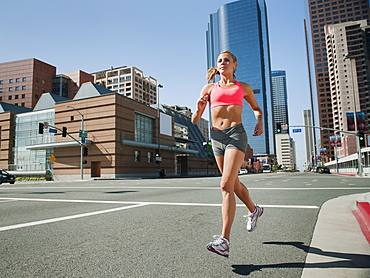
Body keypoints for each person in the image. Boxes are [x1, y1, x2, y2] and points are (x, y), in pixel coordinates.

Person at [191, 50, 264, 258]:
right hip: (216, 138)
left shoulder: (243, 88)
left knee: (225, 185)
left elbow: (256, 109)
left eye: (227, 60)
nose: (223, 63)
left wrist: (259, 121)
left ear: (235, 65)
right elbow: (196, 120)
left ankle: (224, 240)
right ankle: (254, 210)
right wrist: (198, 109)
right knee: (232, 183)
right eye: (220, 61)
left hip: (236, 135)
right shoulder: (209, 88)